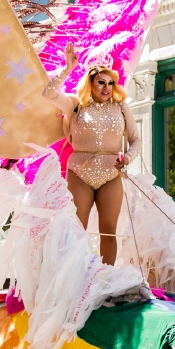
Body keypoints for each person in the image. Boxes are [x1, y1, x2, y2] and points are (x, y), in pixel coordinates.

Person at [43, 45, 140, 266]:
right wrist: (68, 69)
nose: (106, 88)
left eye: (110, 83)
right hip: (79, 172)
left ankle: (106, 277)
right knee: (77, 228)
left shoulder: (121, 108)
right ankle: (78, 274)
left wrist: (127, 159)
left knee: (108, 230)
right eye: (101, 82)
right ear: (91, 82)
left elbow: (136, 140)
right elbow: (48, 94)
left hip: (111, 173)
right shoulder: (75, 105)